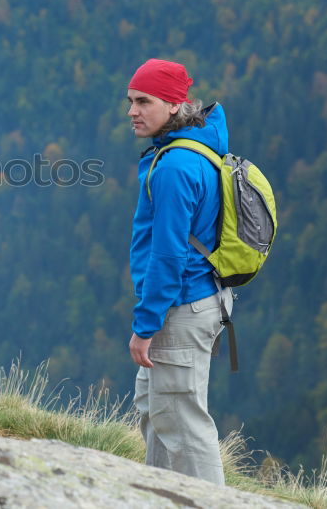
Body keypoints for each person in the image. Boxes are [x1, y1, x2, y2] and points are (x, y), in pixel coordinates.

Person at [125, 58, 232, 485]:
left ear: (174, 105)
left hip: (181, 307)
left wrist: (146, 325)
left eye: (143, 101)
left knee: (184, 426)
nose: (132, 111)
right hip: (201, 298)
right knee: (157, 411)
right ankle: (159, 494)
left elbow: (167, 256)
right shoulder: (198, 147)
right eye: (130, 101)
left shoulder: (173, 166)